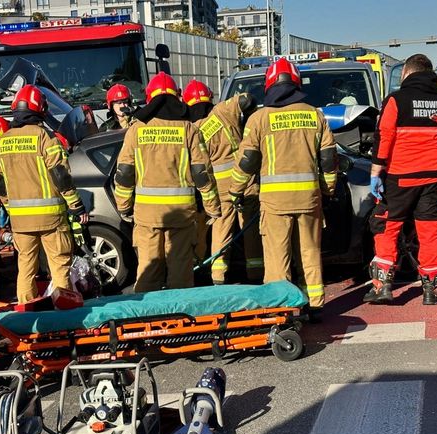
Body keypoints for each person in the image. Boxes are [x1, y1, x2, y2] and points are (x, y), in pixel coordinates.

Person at [229, 58, 338, 318]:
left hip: (275, 203)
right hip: (309, 199)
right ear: (296, 83)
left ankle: (281, 309)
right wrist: (328, 189)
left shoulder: (259, 118)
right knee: (309, 253)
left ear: (268, 84)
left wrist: (235, 190)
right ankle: (314, 305)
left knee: (278, 257)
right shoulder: (315, 115)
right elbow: (329, 160)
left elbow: (247, 161)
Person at [365, 54, 437, 305]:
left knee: (387, 226)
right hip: (433, 177)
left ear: (406, 73)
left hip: (400, 177)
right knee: (429, 232)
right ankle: (431, 290)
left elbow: (384, 136)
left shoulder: (396, 100)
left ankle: (382, 285)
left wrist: (376, 171)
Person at [114, 72, 221, 292]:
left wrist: (124, 207)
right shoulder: (188, 129)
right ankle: (180, 321)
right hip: (181, 216)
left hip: (146, 216)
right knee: (180, 273)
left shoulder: (136, 130)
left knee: (148, 272)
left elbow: (124, 173)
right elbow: (202, 173)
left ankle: (145, 322)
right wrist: (213, 208)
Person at [0, 84, 87, 303]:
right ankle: (64, 314)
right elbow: (61, 175)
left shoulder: (1, 143)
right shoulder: (45, 138)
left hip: (20, 220)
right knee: (59, 263)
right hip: (51, 218)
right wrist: (76, 205)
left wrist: (10, 206)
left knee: (25, 266)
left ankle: (27, 316)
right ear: (41, 109)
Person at [183, 79, 263, 284]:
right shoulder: (222, 111)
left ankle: (218, 277)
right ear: (209, 98)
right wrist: (249, 122)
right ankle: (255, 274)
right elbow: (246, 99)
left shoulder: (192, 129)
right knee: (251, 230)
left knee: (221, 229)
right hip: (245, 181)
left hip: (219, 189)